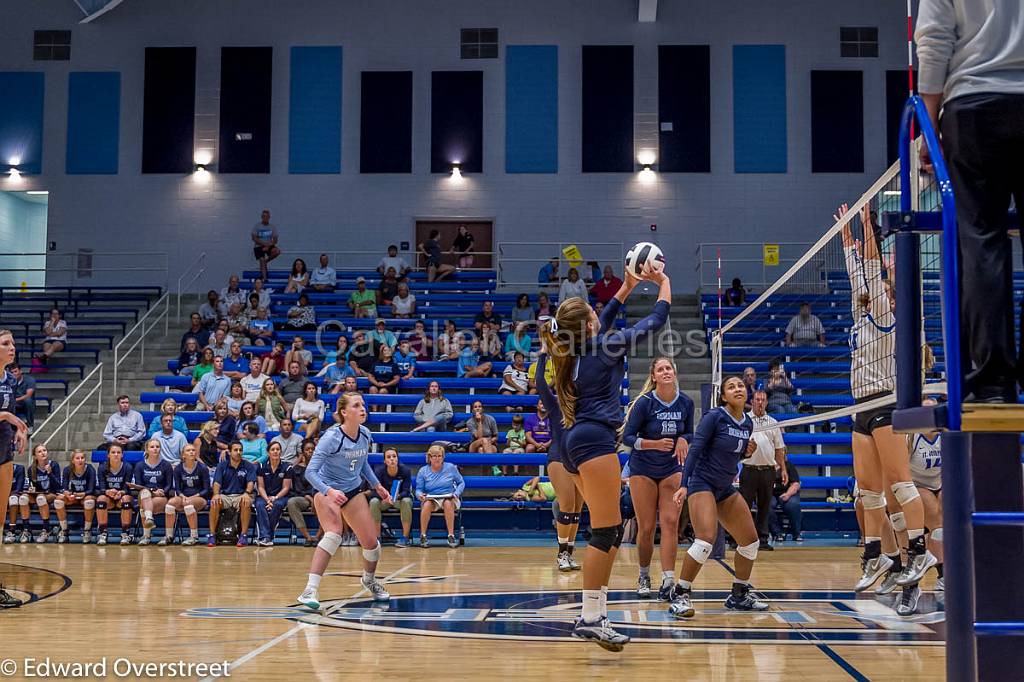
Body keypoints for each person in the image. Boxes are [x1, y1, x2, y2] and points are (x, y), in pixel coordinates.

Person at [539, 259, 670, 650]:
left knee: (606, 531)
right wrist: (662, 281)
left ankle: (595, 613)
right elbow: (655, 322)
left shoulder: (571, 350)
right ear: (590, 325)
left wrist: (628, 285)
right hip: (595, 442)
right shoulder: (604, 347)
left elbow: (602, 316)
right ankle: (591, 617)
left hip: (578, 442)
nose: (600, 314)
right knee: (606, 531)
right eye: (594, 313)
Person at [916, 0, 1024, 403]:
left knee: (980, 243)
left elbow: (934, 39)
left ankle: (993, 381)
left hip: (974, 103)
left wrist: (928, 123)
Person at [837, 203, 935, 592]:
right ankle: (876, 553)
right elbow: (857, 276)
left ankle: (919, 548)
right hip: (861, 407)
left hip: (885, 402)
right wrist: (845, 238)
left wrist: (865, 227)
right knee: (867, 490)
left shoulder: (889, 313)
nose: (871, 291)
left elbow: (871, 274)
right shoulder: (863, 314)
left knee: (899, 483)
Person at [667, 377, 768, 620]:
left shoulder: (747, 424)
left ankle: (739, 594)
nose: (737, 389)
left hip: (724, 487)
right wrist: (683, 485)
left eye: (741, 386)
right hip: (702, 483)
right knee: (705, 540)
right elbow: (695, 451)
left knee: (750, 541)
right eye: (731, 386)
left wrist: (745, 454)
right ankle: (680, 593)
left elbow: (731, 457)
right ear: (723, 396)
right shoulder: (714, 417)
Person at [298, 391, 394, 608]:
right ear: (344, 412)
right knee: (333, 535)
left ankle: (369, 580)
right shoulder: (331, 438)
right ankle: (309, 590)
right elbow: (310, 472)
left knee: (372, 545)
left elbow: (362, 463)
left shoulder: (365, 434)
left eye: (363, 404)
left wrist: (377, 486)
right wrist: (329, 492)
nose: (362, 408)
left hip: (351, 490)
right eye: (356, 405)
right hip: (326, 489)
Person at [621, 356, 694, 599]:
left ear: (674, 373)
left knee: (671, 523)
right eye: (660, 369)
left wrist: (684, 438)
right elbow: (627, 438)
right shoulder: (644, 403)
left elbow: (690, 432)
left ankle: (668, 580)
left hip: (671, 468)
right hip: (642, 468)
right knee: (647, 527)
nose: (665, 372)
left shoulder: (685, 402)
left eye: (668, 368)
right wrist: (653, 443)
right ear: (654, 377)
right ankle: (643, 575)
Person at [534, 349, 584, 572]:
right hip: (558, 458)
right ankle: (561, 553)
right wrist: (543, 356)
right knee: (565, 507)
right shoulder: (554, 406)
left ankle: (569, 553)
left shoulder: (584, 408)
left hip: (580, 460)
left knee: (576, 510)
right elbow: (541, 384)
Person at [741, 390, 787, 550]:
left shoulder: (773, 422)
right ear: (752, 402)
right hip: (749, 469)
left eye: (763, 400)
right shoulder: (744, 420)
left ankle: (763, 539)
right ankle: (740, 539)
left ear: (766, 403)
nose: (760, 402)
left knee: (765, 506)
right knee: (743, 506)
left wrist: (784, 469)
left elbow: (779, 448)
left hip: (768, 470)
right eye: (757, 399)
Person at [208, 440, 256, 547]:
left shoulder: (248, 466)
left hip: (241, 495)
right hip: (225, 496)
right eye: (235, 450)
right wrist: (215, 494)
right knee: (215, 502)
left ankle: (243, 536)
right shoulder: (222, 466)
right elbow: (216, 483)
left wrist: (247, 493)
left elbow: (251, 483)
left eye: (240, 450)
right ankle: (212, 535)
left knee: (246, 501)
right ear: (229, 452)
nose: (238, 452)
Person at [415, 444, 465, 548]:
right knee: (427, 504)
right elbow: (418, 490)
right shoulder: (423, 471)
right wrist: (420, 496)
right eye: (434, 456)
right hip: (432, 498)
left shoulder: (451, 467)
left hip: (450, 496)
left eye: (439, 456)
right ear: (429, 457)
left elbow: (461, 483)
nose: (437, 458)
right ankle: (423, 535)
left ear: (443, 457)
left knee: (447, 502)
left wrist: (457, 493)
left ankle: (451, 535)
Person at [130, 438, 176, 546]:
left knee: (144, 508)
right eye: (152, 447)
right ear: (146, 450)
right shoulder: (140, 465)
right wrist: (152, 491)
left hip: (161, 497)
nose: (155, 449)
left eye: (157, 447)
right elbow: (138, 485)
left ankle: (146, 535)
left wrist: (162, 492)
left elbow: (169, 485)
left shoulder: (166, 465)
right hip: (145, 494)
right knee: (145, 493)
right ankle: (149, 520)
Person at [167, 444, 211, 546]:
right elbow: (177, 489)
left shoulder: (202, 468)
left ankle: (194, 536)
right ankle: (169, 536)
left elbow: (207, 489)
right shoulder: (178, 469)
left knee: (188, 504)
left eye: (193, 450)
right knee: (170, 504)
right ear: (183, 455)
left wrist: (192, 497)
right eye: (188, 450)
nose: (191, 452)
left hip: (200, 497)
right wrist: (182, 496)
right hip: (184, 497)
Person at [370, 447, 414, 547]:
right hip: (384, 501)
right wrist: (385, 497)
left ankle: (405, 538)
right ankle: (377, 537)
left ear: (397, 459)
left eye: (394, 456)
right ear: (385, 461)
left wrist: (396, 497)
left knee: (407, 501)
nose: (392, 459)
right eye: (389, 457)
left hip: (398, 501)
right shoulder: (379, 471)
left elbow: (406, 491)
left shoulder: (405, 471)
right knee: (373, 502)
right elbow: (374, 491)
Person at [94, 443, 135, 546]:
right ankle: (103, 533)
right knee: (101, 500)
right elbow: (102, 487)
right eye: (113, 452)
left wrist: (121, 492)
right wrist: (107, 492)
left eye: (118, 452)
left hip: (122, 497)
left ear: (122, 455)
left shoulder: (128, 467)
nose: (116, 454)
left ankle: (125, 533)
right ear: (108, 455)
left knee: (126, 499)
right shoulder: (103, 467)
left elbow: (127, 488)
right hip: (109, 498)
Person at [55, 449, 97, 543]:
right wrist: (66, 493)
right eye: (77, 458)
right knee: (58, 500)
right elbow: (64, 487)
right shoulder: (67, 470)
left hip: (86, 495)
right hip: (73, 497)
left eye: (82, 458)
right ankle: (64, 530)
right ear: (73, 460)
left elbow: (92, 489)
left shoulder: (90, 469)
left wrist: (83, 494)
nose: (80, 460)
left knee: (89, 501)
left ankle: (87, 530)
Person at [254, 441, 292, 546]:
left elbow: (286, 488)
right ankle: (267, 537)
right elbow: (260, 487)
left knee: (278, 505)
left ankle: (266, 537)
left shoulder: (287, 467)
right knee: (260, 505)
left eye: (277, 449)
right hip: (264, 496)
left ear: (281, 452)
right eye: (273, 449)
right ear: (268, 452)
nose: (275, 451)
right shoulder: (261, 466)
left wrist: (274, 498)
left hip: (280, 496)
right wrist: (267, 499)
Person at [25, 444, 59, 545]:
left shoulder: (54, 465)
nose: (43, 453)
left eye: (44, 450)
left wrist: (49, 473)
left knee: (40, 498)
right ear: (35, 456)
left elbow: (57, 485)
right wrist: (31, 489)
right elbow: (33, 486)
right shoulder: (32, 469)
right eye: (39, 451)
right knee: (23, 498)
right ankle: (26, 530)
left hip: (52, 493)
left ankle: (46, 529)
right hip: (39, 494)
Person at [287, 440, 319, 546]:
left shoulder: (321, 467)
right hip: (304, 498)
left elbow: (323, 485)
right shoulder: (296, 469)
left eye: (312, 449)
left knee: (329, 502)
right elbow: (298, 489)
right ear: (303, 452)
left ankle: (317, 537)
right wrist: (310, 499)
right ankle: (308, 537)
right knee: (292, 502)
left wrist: (315, 498)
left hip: (320, 496)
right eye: (307, 449)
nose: (310, 451)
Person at [769, 459, 802, 543]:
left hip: (787, 492)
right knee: (766, 505)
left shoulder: (789, 466)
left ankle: (796, 533)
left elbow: (796, 484)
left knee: (793, 505)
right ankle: (777, 533)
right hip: (769, 493)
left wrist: (788, 494)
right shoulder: (764, 466)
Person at [251, 209, 281, 281]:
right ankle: (265, 279)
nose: (265, 218)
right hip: (258, 246)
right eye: (264, 216)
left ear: (269, 217)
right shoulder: (257, 226)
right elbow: (254, 238)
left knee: (277, 251)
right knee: (261, 259)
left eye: (267, 216)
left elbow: (275, 240)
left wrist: (268, 246)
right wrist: (264, 244)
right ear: (261, 217)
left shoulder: (272, 227)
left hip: (269, 246)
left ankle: (266, 261)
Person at [3, 461, 26, 544]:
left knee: (13, 498)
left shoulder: (19, 468)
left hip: (14, 494)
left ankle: (11, 531)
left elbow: (19, 488)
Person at [9, 364, 35, 431]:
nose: (13, 374)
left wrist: (15, 400)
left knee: (28, 400)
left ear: (20, 371)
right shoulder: (8, 381)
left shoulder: (30, 380)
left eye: (15, 371)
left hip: (24, 403)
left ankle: (30, 426)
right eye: (11, 372)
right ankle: (9, 427)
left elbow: (28, 395)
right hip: (13, 403)